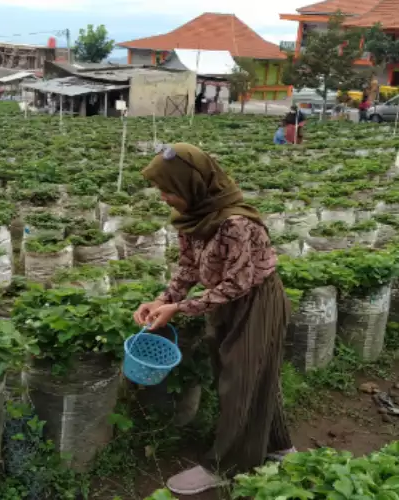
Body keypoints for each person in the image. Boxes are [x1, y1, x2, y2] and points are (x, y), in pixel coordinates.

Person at [134, 143, 295, 495]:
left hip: (256, 302)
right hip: (224, 302)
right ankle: (278, 445)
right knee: (247, 375)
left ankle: (228, 464)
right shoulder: (193, 216)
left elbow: (238, 282)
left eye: (169, 190)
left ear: (192, 184)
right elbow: (190, 266)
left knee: (240, 380)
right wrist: (164, 298)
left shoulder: (235, 223)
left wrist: (180, 309)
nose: (164, 197)